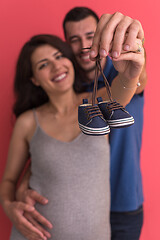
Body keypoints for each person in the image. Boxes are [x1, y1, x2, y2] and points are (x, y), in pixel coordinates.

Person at [16, 7, 146, 240]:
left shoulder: (117, 73)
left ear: (102, 35)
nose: (84, 44)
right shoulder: (69, 89)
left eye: (90, 35)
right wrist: (22, 185)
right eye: (74, 40)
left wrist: (133, 54)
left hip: (123, 202)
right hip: (81, 207)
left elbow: (137, 79)